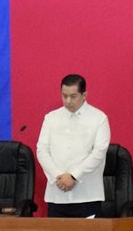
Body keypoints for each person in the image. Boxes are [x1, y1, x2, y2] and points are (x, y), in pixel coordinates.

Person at [36, 74, 110, 218]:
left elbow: (99, 153)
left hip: (87, 195)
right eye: (64, 96)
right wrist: (58, 176)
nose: (68, 101)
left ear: (84, 95)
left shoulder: (99, 118)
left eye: (73, 96)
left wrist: (73, 176)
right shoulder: (51, 118)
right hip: (57, 194)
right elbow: (42, 150)